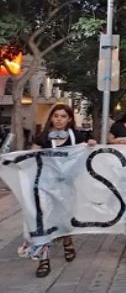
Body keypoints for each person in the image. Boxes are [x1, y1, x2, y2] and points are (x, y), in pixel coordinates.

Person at [28, 105, 96, 277]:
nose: (59, 119)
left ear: (69, 119)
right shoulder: (42, 137)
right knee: (43, 221)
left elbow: (83, 158)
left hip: (67, 186)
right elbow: (30, 158)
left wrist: (90, 146)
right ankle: (43, 260)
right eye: (56, 116)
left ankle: (67, 240)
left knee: (65, 217)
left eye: (63, 116)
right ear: (51, 118)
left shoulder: (78, 136)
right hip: (45, 185)